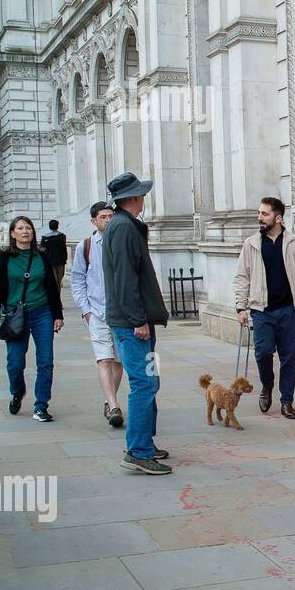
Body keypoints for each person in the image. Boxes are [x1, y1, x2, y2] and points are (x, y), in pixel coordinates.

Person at [103, 172, 171, 475]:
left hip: (136, 321)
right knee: (144, 383)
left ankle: (145, 441)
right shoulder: (122, 228)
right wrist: (138, 320)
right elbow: (125, 280)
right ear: (131, 198)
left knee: (149, 379)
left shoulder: (124, 226)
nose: (144, 198)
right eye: (141, 194)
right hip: (132, 324)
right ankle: (138, 450)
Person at [233, 196, 295, 419]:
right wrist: (240, 307)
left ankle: (287, 401)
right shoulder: (251, 244)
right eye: (259, 213)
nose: (259, 218)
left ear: (278, 218)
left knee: (289, 355)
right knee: (262, 353)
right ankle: (267, 385)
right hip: (261, 311)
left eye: (264, 214)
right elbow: (242, 277)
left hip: (288, 310)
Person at [0, 216, 64, 421]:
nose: (25, 232)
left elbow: (52, 287)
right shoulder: (5, 257)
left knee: (46, 361)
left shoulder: (42, 256)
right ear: (13, 234)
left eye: (28, 228)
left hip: (42, 313)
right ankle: (17, 391)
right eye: (20, 228)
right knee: (14, 363)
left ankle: (41, 405)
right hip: (16, 314)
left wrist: (58, 315)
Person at [71, 201, 124, 429]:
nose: (108, 220)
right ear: (94, 221)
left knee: (119, 362)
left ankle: (107, 398)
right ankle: (113, 405)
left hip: (122, 314)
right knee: (105, 359)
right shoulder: (85, 246)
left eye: (111, 216)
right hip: (98, 312)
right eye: (103, 216)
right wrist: (86, 311)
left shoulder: (122, 242)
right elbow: (77, 279)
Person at [41, 219, 68, 289]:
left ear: (49, 226)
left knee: (52, 280)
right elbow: (64, 248)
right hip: (60, 261)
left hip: (49, 262)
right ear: (57, 226)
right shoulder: (62, 236)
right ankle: (58, 296)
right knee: (59, 280)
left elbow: (42, 250)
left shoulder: (45, 238)